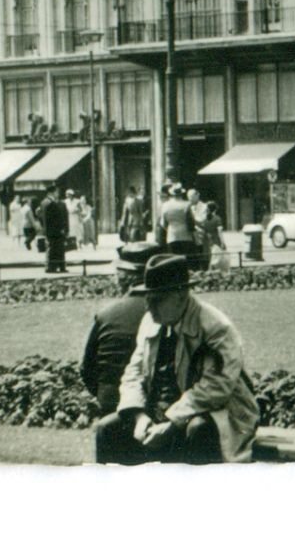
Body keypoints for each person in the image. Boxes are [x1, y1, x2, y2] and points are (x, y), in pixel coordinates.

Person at [93, 255, 259, 464]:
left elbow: (217, 387)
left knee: (198, 430)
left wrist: (173, 421)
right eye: (147, 299)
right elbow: (133, 373)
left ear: (181, 294)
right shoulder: (151, 321)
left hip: (214, 413)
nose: (149, 307)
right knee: (106, 430)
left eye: (157, 300)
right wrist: (138, 415)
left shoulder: (215, 327)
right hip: (158, 414)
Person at [80, 242, 161, 415]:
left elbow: (87, 368)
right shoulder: (168, 312)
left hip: (111, 404)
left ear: (122, 278)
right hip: (155, 404)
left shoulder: (106, 314)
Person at [156, 185, 197, 257]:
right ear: (181, 194)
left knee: (174, 259)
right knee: (185, 259)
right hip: (185, 236)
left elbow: (163, 223)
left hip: (172, 236)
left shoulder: (165, 205)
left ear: (172, 194)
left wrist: (169, 228)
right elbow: (191, 222)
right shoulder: (186, 204)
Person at [41, 185, 70, 273]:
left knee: (55, 248)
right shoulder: (49, 203)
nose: (57, 193)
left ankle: (55, 266)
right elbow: (51, 219)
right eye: (56, 192)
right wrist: (60, 228)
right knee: (53, 248)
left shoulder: (46, 202)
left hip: (52, 230)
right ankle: (51, 267)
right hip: (54, 230)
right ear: (51, 192)